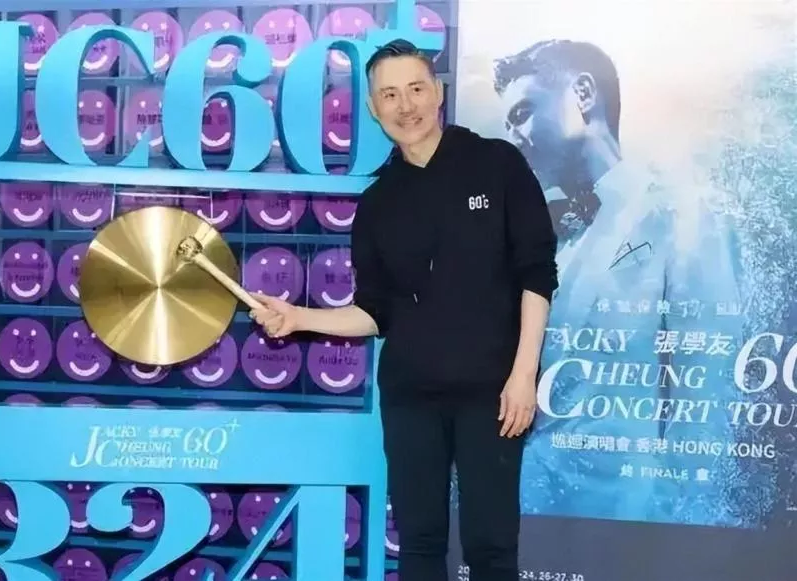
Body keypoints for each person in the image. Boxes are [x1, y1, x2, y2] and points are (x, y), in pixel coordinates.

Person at [250, 39, 558, 581]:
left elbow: (537, 273)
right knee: (419, 542)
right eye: (389, 95)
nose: (405, 105)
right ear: (373, 108)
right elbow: (375, 312)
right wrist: (299, 318)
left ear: (437, 93)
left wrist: (523, 376)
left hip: (494, 393)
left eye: (416, 88)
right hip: (411, 396)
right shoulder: (378, 202)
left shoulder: (497, 163)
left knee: (490, 546)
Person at [492, 39, 744, 525]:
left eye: (522, 113)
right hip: (529, 516)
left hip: (631, 525)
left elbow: (708, 400)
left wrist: (669, 524)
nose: (513, 138)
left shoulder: (684, 214)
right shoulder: (544, 240)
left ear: (583, 93)